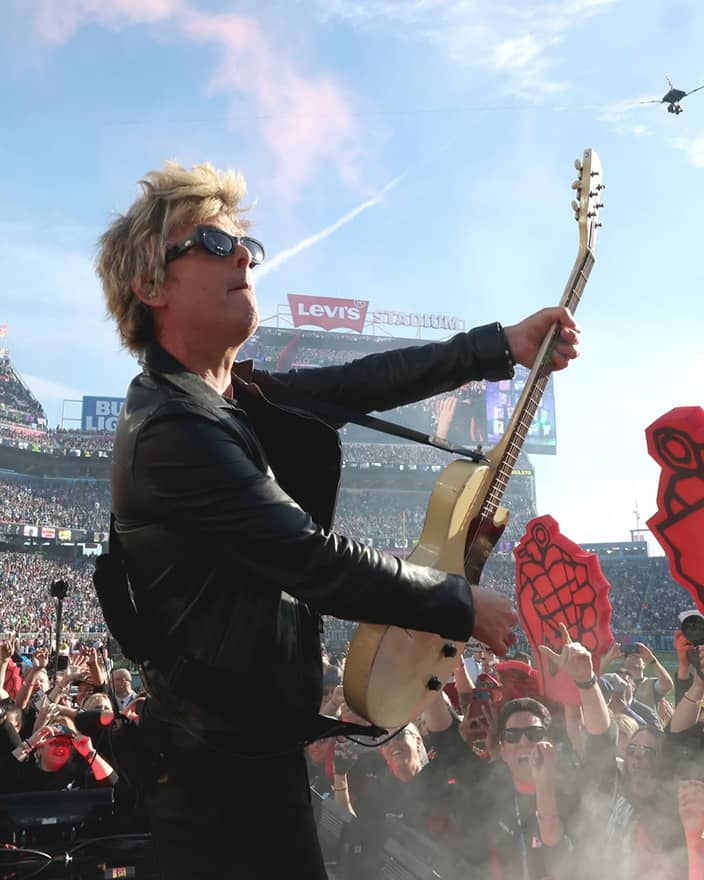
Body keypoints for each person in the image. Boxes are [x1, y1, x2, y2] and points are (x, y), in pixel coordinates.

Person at [95, 159, 581, 879]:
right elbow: (311, 559)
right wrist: (459, 603)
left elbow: (359, 383)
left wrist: (497, 346)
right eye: (215, 245)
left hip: (243, 756)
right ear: (150, 285)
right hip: (214, 786)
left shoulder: (224, 402)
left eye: (247, 247)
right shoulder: (172, 428)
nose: (244, 260)